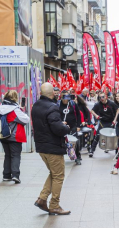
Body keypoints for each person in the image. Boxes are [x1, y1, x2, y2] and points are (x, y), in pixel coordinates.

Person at [32, 82, 71, 215]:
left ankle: (42, 199)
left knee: (54, 173)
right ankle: (54, 205)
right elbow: (58, 128)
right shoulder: (52, 107)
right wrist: (65, 127)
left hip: (41, 147)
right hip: (52, 147)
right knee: (59, 176)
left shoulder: (36, 105)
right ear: (52, 94)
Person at [0, 90, 30, 184]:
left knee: (7, 155)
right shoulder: (15, 110)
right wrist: (21, 109)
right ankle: (15, 175)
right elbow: (26, 119)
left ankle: (6, 175)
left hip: (4, 136)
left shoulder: (1, 108)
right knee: (15, 155)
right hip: (14, 136)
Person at [89, 92, 118, 157]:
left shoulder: (111, 103)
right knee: (97, 136)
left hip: (111, 122)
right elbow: (92, 111)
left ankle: (116, 152)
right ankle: (92, 151)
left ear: (106, 97)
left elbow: (118, 110)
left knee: (114, 136)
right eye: (100, 97)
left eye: (103, 97)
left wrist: (115, 119)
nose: (101, 99)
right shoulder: (98, 104)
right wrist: (96, 115)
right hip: (102, 122)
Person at [58, 90, 82, 165]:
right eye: (64, 97)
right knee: (61, 143)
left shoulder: (73, 104)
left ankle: (77, 157)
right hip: (62, 127)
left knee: (75, 142)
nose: (66, 99)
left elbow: (78, 115)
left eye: (67, 97)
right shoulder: (57, 105)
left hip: (73, 126)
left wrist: (78, 125)